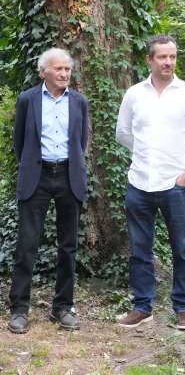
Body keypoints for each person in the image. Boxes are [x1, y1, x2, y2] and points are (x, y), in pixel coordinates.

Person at [116, 35, 185, 330]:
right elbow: (123, 134)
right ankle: (142, 307)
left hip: (176, 185)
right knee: (140, 250)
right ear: (149, 60)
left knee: (182, 248)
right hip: (139, 183)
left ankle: (184, 308)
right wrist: (146, 157)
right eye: (162, 57)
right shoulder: (134, 94)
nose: (168, 62)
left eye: (172, 57)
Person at [8, 48, 89, 333]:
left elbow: (82, 141)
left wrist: (73, 168)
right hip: (37, 176)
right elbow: (20, 141)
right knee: (27, 245)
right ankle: (19, 309)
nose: (65, 74)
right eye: (59, 69)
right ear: (44, 72)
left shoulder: (79, 102)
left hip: (69, 176)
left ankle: (63, 308)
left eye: (68, 69)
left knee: (68, 247)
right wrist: (33, 166)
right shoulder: (28, 99)